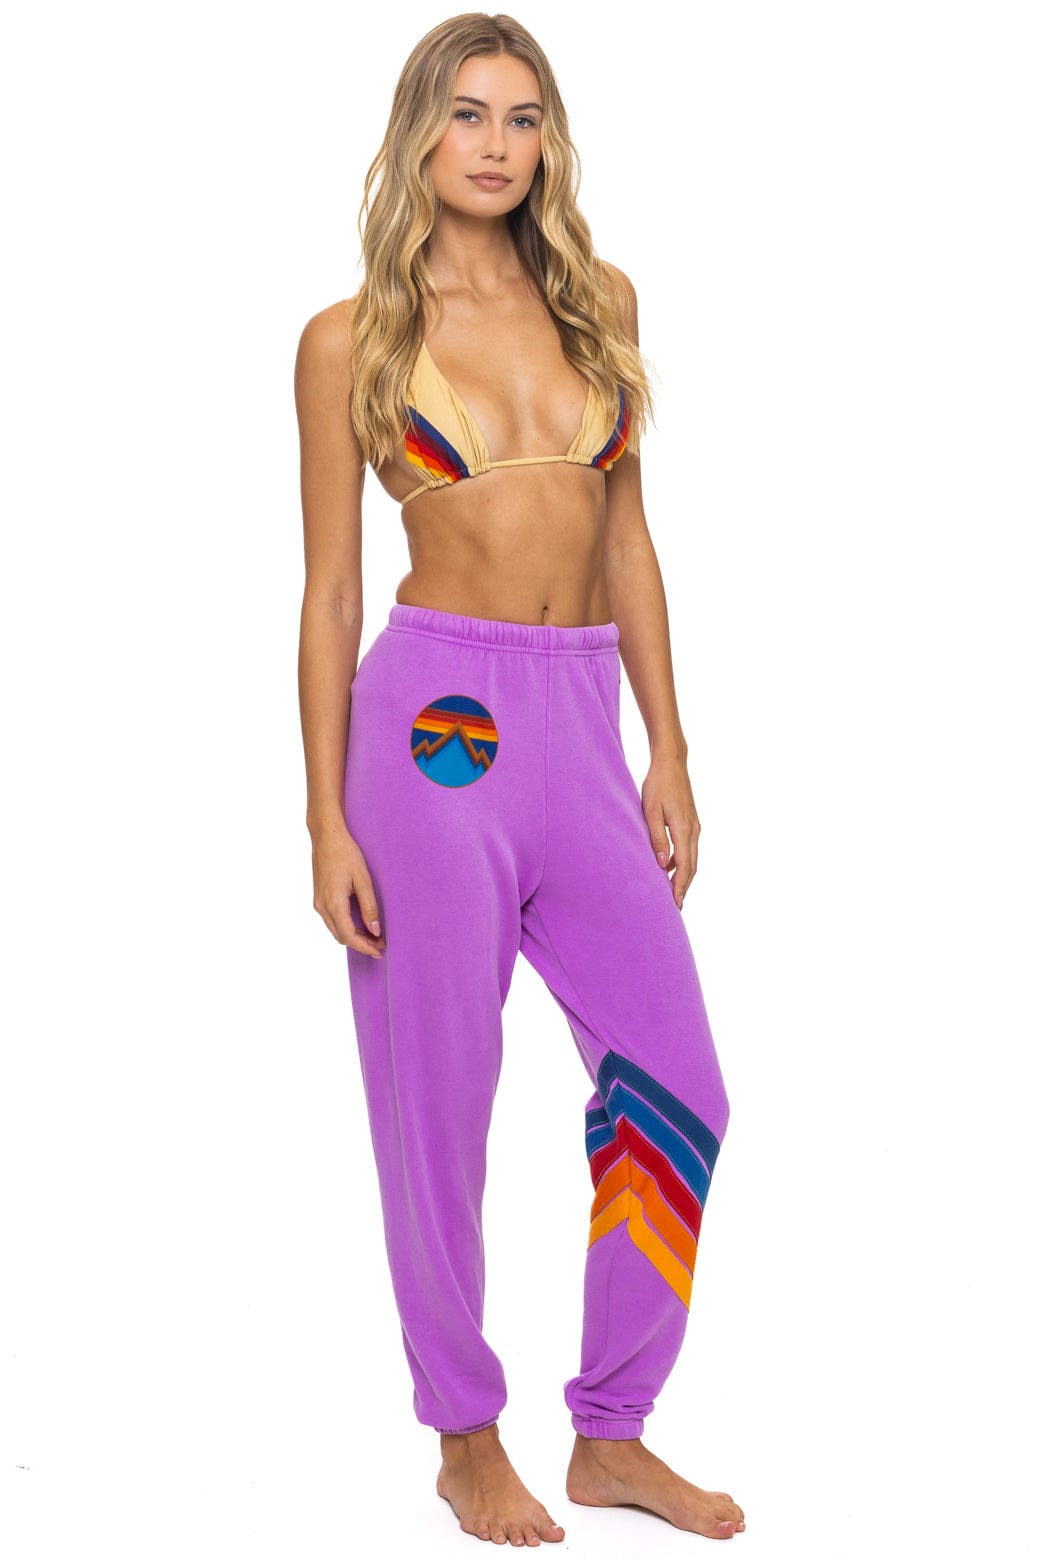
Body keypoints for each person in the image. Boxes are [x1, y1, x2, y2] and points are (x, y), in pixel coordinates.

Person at [294, 12, 745, 1546]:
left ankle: (611, 1431)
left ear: (550, 141)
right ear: (420, 131)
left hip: (581, 724)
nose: (497, 143)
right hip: (436, 733)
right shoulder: (353, 338)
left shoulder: (600, 303)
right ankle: (464, 1434)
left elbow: (629, 540)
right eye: (469, 113)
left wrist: (668, 745)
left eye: (524, 116)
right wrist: (323, 817)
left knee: (678, 1086)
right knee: (440, 1099)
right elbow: (331, 595)